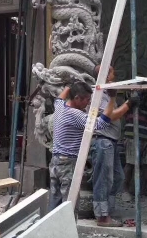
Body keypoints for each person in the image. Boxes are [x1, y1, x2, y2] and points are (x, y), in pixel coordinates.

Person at [49, 80, 116, 213]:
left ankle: (51, 225)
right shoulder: (75, 115)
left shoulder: (60, 107)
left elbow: (59, 98)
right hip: (68, 164)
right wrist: (112, 98)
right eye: (86, 100)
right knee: (69, 204)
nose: (89, 103)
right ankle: (68, 227)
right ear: (77, 98)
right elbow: (101, 124)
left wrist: (69, 86)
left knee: (55, 202)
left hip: (56, 161)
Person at [91, 65, 140, 227]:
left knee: (118, 177)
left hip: (111, 141)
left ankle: (108, 210)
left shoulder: (108, 94)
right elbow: (110, 116)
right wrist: (128, 104)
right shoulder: (98, 94)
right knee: (103, 178)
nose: (115, 73)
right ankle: (102, 216)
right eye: (111, 71)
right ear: (105, 76)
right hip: (103, 141)